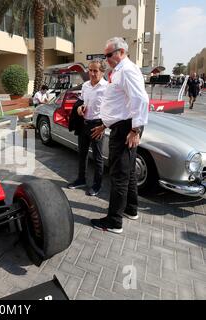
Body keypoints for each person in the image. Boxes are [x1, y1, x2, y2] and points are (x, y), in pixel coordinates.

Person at [90, 37, 149, 234]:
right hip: (121, 126)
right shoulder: (119, 71)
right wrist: (104, 125)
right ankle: (130, 210)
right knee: (129, 172)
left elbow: (140, 99)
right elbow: (117, 105)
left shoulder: (127, 70)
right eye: (104, 55)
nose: (105, 59)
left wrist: (135, 130)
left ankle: (114, 221)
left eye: (108, 55)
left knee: (119, 175)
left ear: (121, 52)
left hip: (126, 129)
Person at [67, 59, 108, 197]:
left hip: (97, 125)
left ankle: (97, 185)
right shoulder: (85, 86)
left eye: (95, 70)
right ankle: (81, 179)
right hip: (84, 123)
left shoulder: (107, 87)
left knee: (97, 158)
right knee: (82, 154)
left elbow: (111, 109)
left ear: (102, 72)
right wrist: (79, 108)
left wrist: (103, 126)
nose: (92, 73)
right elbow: (82, 101)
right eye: (90, 70)